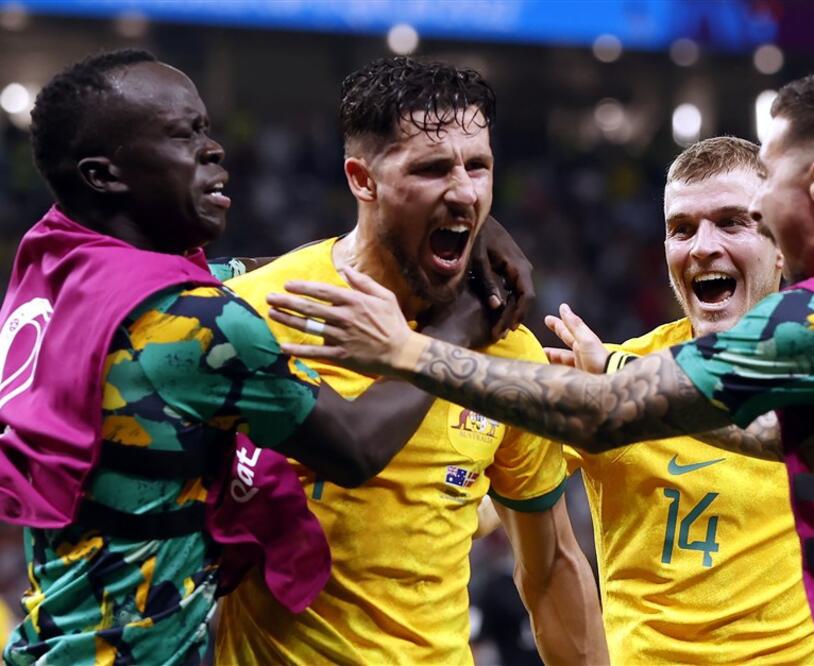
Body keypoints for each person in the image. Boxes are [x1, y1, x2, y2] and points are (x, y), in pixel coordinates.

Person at [271, 68, 814, 664]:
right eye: (681, 228)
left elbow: (602, 412)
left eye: (756, 201)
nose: (709, 244)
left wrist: (409, 350)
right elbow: (772, 433)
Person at [0, 50, 529, 666]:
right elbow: (355, 447)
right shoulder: (195, 326)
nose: (214, 149)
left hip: (50, 640)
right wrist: (458, 325)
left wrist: (446, 211)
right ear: (103, 175)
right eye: (183, 135)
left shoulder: (59, 273)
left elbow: (233, 275)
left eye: (204, 128)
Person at [216, 57, 607, 665]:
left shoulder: (508, 347)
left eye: (478, 166)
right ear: (362, 179)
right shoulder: (255, 313)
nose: (465, 191)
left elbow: (552, 564)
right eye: (432, 168)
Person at [536, 136, 814, 663]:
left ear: (781, 242)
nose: (702, 247)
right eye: (681, 229)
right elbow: (484, 501)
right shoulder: (603, 377)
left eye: (731, 222)